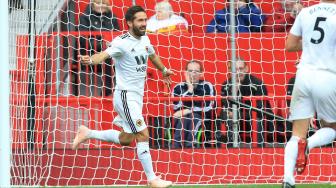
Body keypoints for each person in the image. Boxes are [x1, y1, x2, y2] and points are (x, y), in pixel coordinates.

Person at [72, 6, 174, 187]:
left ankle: (87, 133)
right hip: (125, 96)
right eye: (140, 21)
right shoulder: (121, 42)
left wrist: (164, 70)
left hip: (136, 97)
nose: (144, 24)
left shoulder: (145, 38)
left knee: (126, 139)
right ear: (129, 23)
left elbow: (152, 55)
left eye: (145, 20)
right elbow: (103, 56)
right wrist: (90, 59)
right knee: (143, 133)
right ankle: (152, 179)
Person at [282, 0, 336, 187]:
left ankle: (288, 179)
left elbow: (289, 45)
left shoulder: (305, 12)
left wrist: (313, 47)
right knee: (332, 127)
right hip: (328, 76)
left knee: (296, 133)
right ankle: (309, 144)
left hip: (303, 75)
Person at [219, 58, 273, 146]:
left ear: (246, 69)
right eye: (235, 70)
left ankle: (259, 151)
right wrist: (235, 91)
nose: (238, 72)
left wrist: (238, 114)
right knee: (224, 118)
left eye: (240, 68)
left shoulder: (257, 83)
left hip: (256, 119)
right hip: (237, 121)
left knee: (257, 121)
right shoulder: (226, 85)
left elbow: (260, 110)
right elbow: (225, 107)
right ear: (230, 71)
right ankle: (229, 151)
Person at [77, 0, 120, 96]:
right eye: (98, 3)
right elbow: (83, 39)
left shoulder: (112, 17)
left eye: (104, 4)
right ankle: (107, 91)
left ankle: (117, 90)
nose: (101, 6)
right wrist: (103, 45)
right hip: (90, 50)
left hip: (109, 47)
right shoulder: (84, 17)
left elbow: (117, 34)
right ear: (92, 3)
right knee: (109, 55)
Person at [172, 60, 216, 148]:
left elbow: (209, 107)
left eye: (196, 71)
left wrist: (188, 110)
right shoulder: (178, 87)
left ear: (201, 73)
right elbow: (177, 106)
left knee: (192, 117)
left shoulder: (207, 86)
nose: (193, 74)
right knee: (185, 118)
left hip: (203, 120)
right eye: (190, 71)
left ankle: (185, 145)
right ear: (185, 73)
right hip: (181, 119)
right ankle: (184, 145)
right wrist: (190, 88)